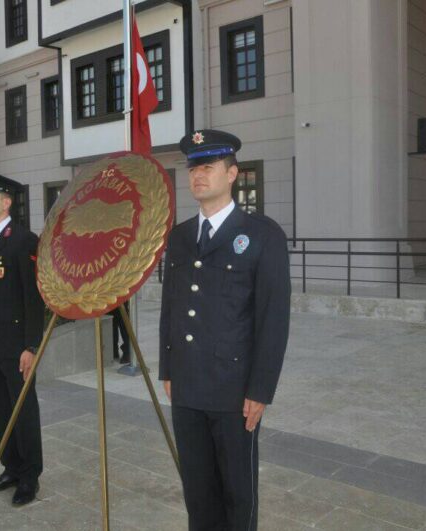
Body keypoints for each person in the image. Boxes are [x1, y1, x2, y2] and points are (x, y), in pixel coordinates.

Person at [159, 129, 291, 530]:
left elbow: (273, 319)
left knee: (238, 493)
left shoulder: (263, 235)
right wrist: (167, 368)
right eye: (193, 168)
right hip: (187, 386)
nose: (198, 175)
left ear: (232, 173)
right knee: (198, 492)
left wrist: (260, 390)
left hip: (234, 391)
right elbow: (171, 308)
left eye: (208, 166)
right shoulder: (180, 237)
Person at [0, 169, 45, 506]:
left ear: (6, 202)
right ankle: (11, 467)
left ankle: (30, 476)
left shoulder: (24, 240)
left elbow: (33, 298)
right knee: (0, 411)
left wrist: (31, 346)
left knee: (23, 412)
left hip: (16, 347)